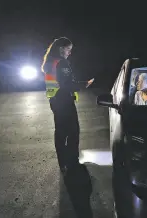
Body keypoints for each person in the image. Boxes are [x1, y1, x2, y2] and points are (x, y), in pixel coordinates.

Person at [41, 37, 94, 173]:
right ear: (61, 49)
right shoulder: (62, 63)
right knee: (72, 132)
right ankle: (72, 162)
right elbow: (66, 84)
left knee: (60, 132)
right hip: (64, 100)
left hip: (54, 100)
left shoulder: (50, 63)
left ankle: (63, 163)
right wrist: (84, 84)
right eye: (68, 49)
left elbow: (60, 82)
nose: (70, 52)